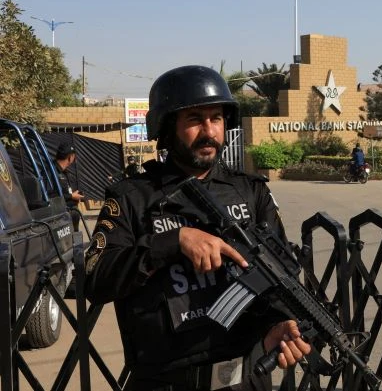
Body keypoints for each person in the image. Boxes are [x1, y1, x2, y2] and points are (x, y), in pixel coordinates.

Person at [84, 65, 311, 391]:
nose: (209, 131)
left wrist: (279, 323)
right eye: (194, 120)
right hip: (164, 382)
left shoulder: (250, 191)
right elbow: (94, 276)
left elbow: (280, 276)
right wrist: (171, 242)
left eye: (216, 118)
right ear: (166, 127)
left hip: (244, 378)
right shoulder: (132, 197)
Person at [54, 142, 85, 230]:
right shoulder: (51, 172)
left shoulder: (65, 172)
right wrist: (71, 196)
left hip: (69, 215)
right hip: (60, 219)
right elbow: (50, 196)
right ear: (70, 157)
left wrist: (74, 196)